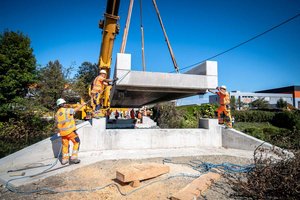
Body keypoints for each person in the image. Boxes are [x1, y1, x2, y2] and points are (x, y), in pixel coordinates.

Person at [55, 98, 86, 165]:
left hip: (63, 134)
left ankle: (64, 160)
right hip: (70, 132)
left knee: (65, 146)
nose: (66, 104)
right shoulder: (67, 110)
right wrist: (82, 105)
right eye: (64, 103)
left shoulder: (57, 114)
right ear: (63, 104)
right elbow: (76, 110)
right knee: (77, 142)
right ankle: (74, 157)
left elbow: (57, 124)